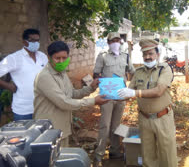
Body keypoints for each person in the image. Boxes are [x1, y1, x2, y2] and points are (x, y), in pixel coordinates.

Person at [33, 41, 108, 147]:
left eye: (64, 58)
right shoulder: (44, 77)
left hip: (62, 127)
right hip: (49, 130)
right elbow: (63, 102)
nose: (61, 61)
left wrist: (91, 88)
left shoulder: (62, 73)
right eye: (57, 58)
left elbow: (72, 94)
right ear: (49, 58)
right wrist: (93, 101)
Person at [118, 39, 177, 167]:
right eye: (145, 54)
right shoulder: (139, 72)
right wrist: (112, 94)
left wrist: (136, 93)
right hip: (144, 119)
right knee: (147, 156)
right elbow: (129, 92)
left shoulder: (165, 69)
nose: (147, 57)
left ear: (157, 54)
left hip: (163, 118)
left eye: (150, 53)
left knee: (167, 155)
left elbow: (159, 91)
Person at [0, 29, 48, 121]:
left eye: (37, 40)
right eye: (32, 40)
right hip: (23, 110)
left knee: (42, 134)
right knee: (24, 135)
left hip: (43, 107)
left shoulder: (42, 56)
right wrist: (8, 86)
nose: (35, 43)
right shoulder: (14, 58)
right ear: (24, 42)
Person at [93, 32, 135, 166]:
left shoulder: (126, 56)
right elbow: (96, 73)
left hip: (121, 96)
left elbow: (131, 71)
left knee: (116, 125)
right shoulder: (102, 56)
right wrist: (102, 84)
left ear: (121, 42)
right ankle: (98, 155)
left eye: (118, 40)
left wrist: (130, 89)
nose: (116, 42)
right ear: (108, 43)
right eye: (113, 41)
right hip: (107, 96)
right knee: (105, 125)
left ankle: (114, 150)